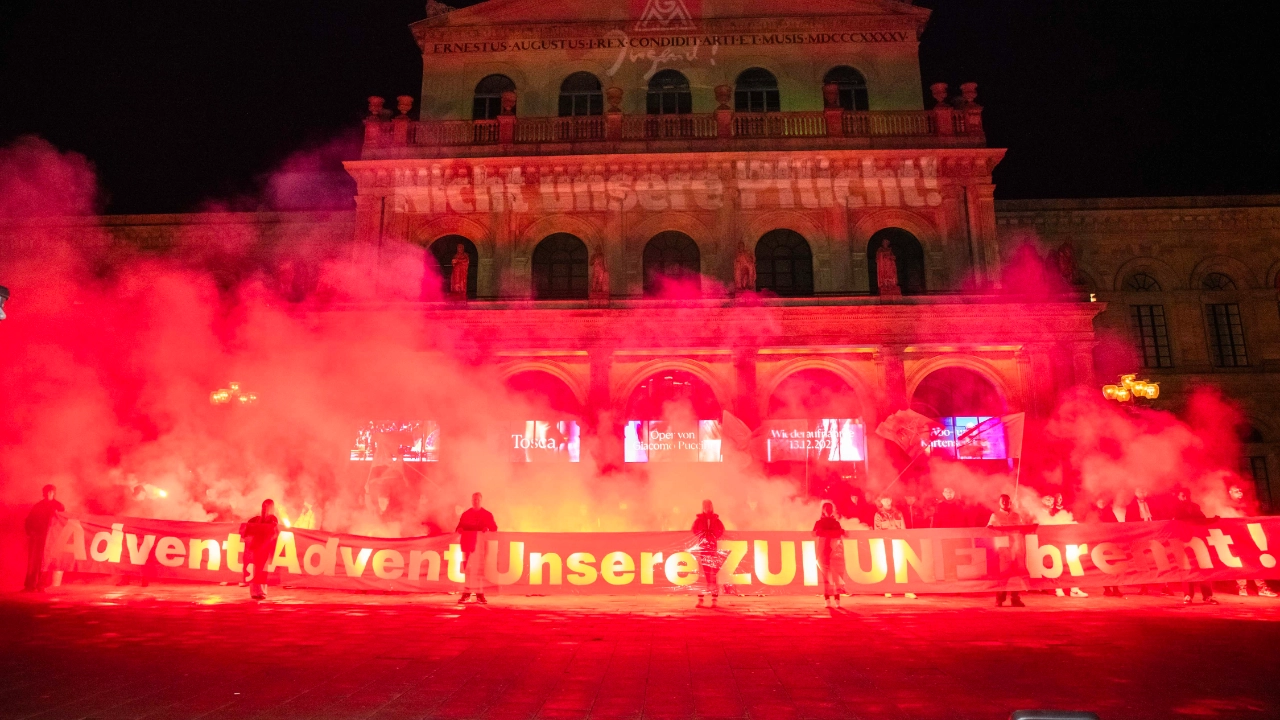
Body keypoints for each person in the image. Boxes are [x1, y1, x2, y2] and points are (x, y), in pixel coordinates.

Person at [1224, 484, 1277, 597]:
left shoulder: (1245, 506)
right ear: (1230, 492)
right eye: (1236, 491)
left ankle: (1261, 587)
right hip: (1236, 539)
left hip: (1248, 537)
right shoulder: (1226, 506)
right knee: (1240, 563)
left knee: (1255, 561)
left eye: (1240, 490)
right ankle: (1243, 588)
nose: (1240, 493)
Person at [1171, 489, 1219, 605]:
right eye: (1183, 495)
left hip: (1197, 540)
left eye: (1187, 495)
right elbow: (1175, 521)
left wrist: (1213, 520)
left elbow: (1202, 520)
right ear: (1178, 496)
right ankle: (1188, 595)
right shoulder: (1175, 507)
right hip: (1184, 541)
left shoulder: (1195, 507)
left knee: (1204, 567)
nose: (1185, 497)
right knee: (1187, 568)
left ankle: (1207, 596)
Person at [1124, 487, 1173, 596]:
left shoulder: (1154, 503)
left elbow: (1161, 517)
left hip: (1154, 534)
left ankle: (1165, 586)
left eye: (1144, 491)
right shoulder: (1131, 507)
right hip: (1139, 536)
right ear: (1135, 493)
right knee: (1141, 561)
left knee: (1160, 559)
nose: (1142, 493)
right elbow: (1128, 522)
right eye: (1140, 491)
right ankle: (1144, 586)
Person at [1038, 494, 1087, 597]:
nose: (1050, 502)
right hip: (1051, 544)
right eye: (1047, 499)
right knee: (1056, 565)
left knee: (1072, 564)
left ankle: (1074, 589)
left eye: (1051, 499)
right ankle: (1058, 588)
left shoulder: (1058, 511)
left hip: (1064, 541)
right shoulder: (1040, 512)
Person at [455, 492, 498, 604]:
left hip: (481, 548)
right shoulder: (466, 515)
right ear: (471, 501)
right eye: (474, 499)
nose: (476, 501)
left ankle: (480, 594)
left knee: (479, 571)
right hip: (467, 547)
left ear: (481, 501)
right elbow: (458, 528)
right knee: (467, 570)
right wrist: (460, 529)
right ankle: (467, 593)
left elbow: (494, 528)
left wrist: (487, 529)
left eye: (478, 499)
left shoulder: (487, 515)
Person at [988, 494, 1027, 607]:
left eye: (1007, 501)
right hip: (1003, 549)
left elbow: (1022, 529)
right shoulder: (995, 516)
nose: (1005, 503)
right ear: (999, 503)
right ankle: (999, 599)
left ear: (1010, 502)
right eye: (1003, 501)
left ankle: (1015, 598)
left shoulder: (1016, 516)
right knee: (1003, 575)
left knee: (1017, 574)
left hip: (1016, 548)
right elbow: (988, 530)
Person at [24, 484, 64, 592]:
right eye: (46, 491)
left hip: (50, 538)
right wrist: (30, 532)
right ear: (43, 493)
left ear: (54, 493)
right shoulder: (38, 506)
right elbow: (29, 520)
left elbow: (63, 520)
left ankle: (42, 585)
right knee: (33, 562)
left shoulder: (58, 506)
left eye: (51, 491)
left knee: (45, 562)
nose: (48, 494)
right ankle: (30, 585)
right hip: (37, 537)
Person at [874, 497, 915, 599]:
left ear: (891, 500)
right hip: (886, 543)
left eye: (888, 499)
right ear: (881, 502)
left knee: (903, 567)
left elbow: (903, 528)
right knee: (888, 567)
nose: (887, 502)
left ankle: (907, 590)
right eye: (884, 500)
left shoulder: (898, 513)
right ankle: (888, 589)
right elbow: (877, 531)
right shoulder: (878, 515)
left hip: (899, 543)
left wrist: (904, 541)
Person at [1084, 496, 1124, 597]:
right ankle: (1106, 589)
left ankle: (1115, 588)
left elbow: (1116, 526)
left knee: (1114, 566)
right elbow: (1088, 528)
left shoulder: (1109, 512)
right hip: (1098, 544)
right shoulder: (1091, 513)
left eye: (1103, 501)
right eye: (1100, 501)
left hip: (1110, 543)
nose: (1102, 503)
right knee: (1103, 567)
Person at [241, 499, 280, 601]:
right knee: (255, 569)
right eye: (263, 506)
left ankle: (261, 592)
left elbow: (274, 530)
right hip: (257, 547)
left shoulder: (272, 518)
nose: (264, 509)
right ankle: (254, 592)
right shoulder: (257, 519)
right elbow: (248, 524)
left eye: (266, 507)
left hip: (265, 547)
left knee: (262, 569)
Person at [692, 500, 726, 607]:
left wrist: (713, 536)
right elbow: (694, 530)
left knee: (713, 574)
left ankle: (714, 599)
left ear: (712, 507)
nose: (707, 508)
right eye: (706, 506)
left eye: (709, 506)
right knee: (703, 574)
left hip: (712, 549)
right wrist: (703, 536)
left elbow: (721, 530)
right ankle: (701, 599)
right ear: (703, 507)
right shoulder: (699, 520)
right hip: (703, 549)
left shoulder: (716, 520)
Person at [813, 502, 846, 608]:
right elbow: (815, 534)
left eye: (829, 508)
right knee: (829, 577)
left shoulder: (832, 523)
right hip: (826, 551)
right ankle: (830, 600)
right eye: (827, 508)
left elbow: (816, 533)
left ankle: (833, 600)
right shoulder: (830, 523)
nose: (828, 510)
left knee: (833, 577)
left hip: (830, 551)